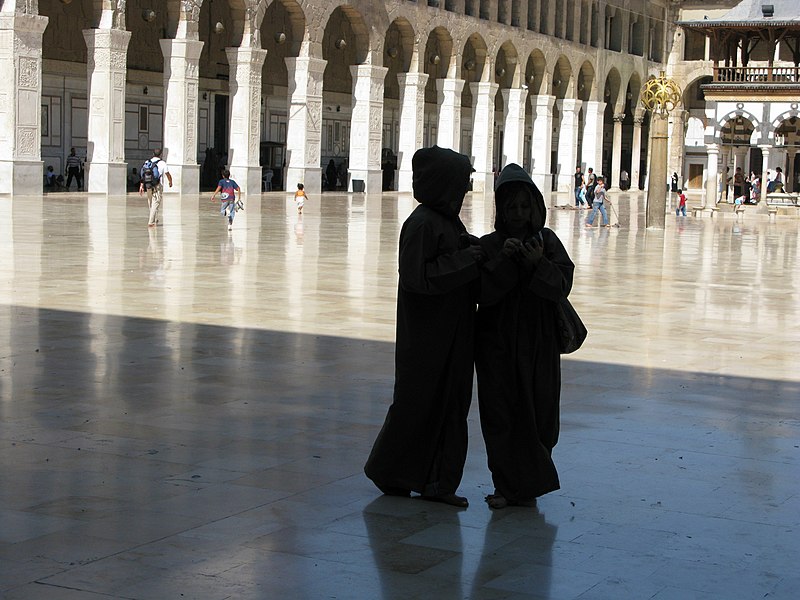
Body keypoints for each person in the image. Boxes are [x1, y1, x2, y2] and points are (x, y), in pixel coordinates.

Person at [364, 145, 485, 508]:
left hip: (452, 334)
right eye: (461, 183)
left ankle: (435, 480)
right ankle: (395, 472)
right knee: (418, 405)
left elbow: (454, 258)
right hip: (428, 340)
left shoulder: (446, 221)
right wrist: (467, 259)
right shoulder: (421, 224)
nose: (464, 191)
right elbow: (419, 278)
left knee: (450, 406)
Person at [474, 163, 575, 509]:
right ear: (500, 210)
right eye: (510, 207)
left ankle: (529, 484)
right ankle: (505, 485)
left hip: (538, 345)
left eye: (524, 206)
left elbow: (561, 286)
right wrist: (502, 262)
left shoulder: (546, 243)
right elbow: (482, 293)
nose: (518, 214)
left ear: (535, 207)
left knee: (540, 412)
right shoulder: (489, 246)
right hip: (498, 346)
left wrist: (537, 265)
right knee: (501, 414)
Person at [138, 148, 173, 227]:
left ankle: (155, 218)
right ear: (161, 155)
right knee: (156, 202)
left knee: (151, 202)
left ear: (153, 154)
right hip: (157, 185)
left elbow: (143, 174)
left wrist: (141, 186)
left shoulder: (147, 162)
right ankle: (151, 222)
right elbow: (167, 174)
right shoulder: (162, 163)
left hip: (148, 185)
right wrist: (170, 182)